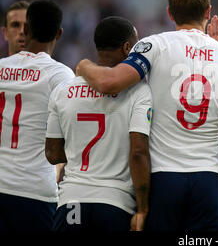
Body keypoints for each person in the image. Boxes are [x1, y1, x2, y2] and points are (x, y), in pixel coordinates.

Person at [76, 0, 218, 231]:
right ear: (207, 11)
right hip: (209, 180)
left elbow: (108, 82)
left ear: (169, 13)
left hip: (163, 180)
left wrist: (83, 66)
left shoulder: (152, 47)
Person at [45, 16, 152, 232]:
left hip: (71, 201)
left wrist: (81, 151)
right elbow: (139, 152)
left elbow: (53, 154)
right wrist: (143, 209)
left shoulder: (63, 91)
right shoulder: (139, 92)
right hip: (115, 204)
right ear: (127, 48)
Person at [0, 0, 74, 232]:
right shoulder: (59, 75)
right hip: (34, 190)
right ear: (59, 33)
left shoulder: (0, 67)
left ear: (27, 29)